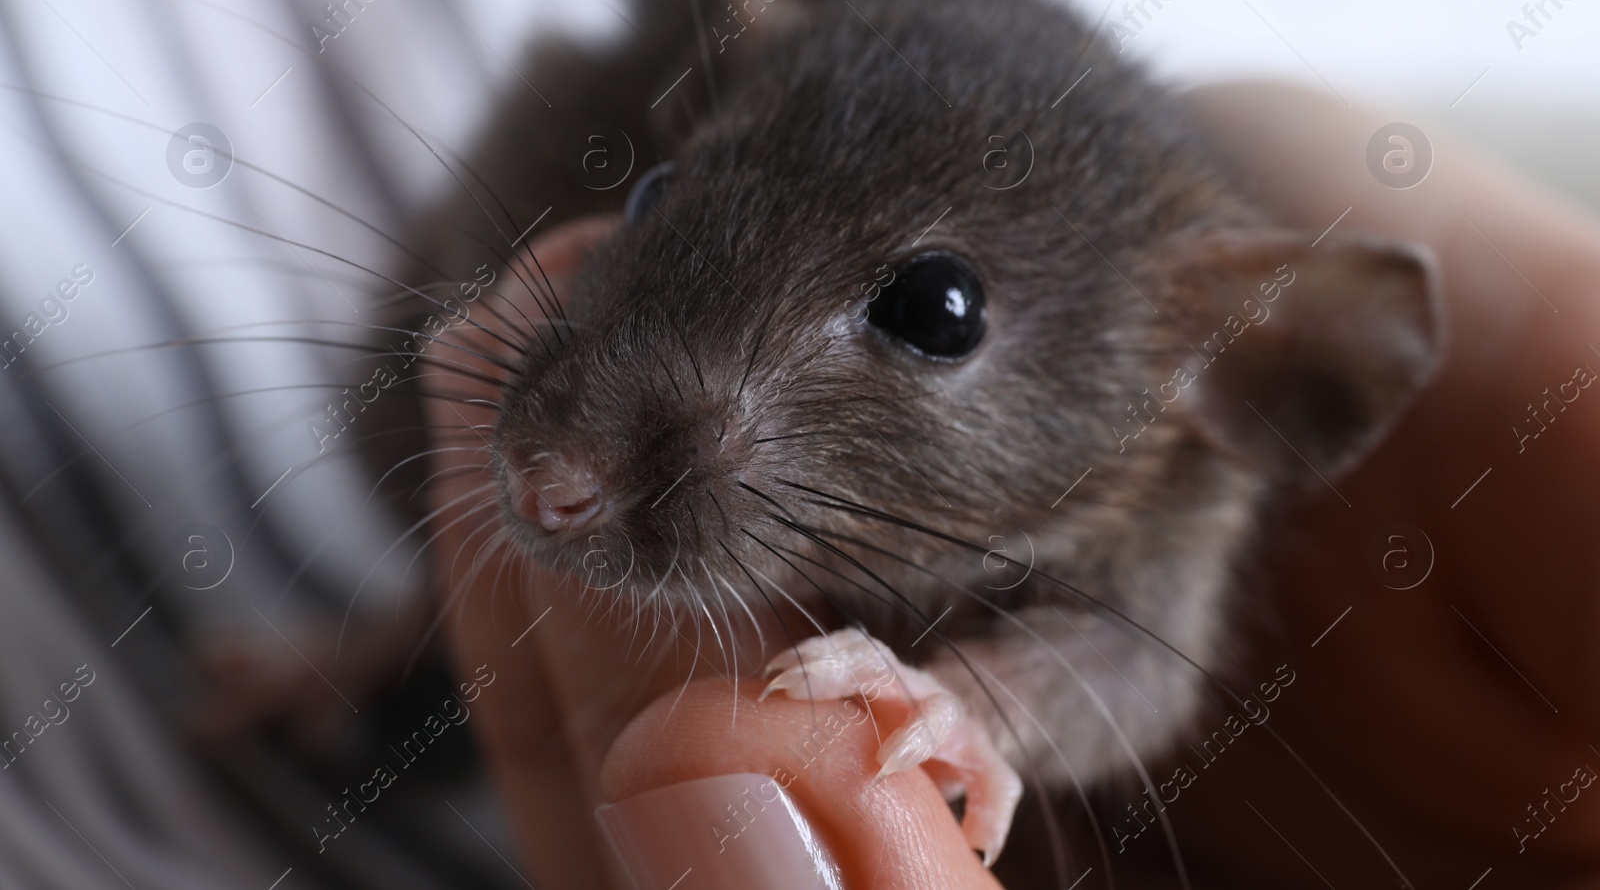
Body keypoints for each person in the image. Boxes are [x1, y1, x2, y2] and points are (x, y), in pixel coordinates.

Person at [424, 82, 1600, 888]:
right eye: (663, 202)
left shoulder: (1177, 435)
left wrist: (978, 701)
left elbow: (1130, 659)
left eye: (926, 314)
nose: (568, 463)